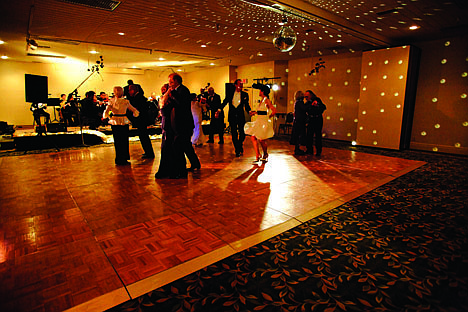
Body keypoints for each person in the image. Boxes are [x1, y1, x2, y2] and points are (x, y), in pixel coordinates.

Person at [168, 73, 201, 177]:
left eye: (171, 82)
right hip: (180, 124)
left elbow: (182, 104)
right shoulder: (177, 90)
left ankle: (181, 170)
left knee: (178, 146)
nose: (170, 84)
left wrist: (172, 93)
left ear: (177, 81)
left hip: (184, 124)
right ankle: (195, 163)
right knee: (186, 146)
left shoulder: (183, 90)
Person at [103, 86, 139, 165]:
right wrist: (135, 117)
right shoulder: (125, 101)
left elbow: (106, 112)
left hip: (115, 121)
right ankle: (124, 157)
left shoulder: (112, 101)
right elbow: (134, 111)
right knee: (124, 140)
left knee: (118, 141)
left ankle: (119, 158)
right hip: (123, 121)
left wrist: (109, 118)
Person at [244, 85, 276, 162]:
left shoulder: (266, 100)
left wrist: (269, 117)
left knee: (261, 139)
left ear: (263, 92)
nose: (259, 92)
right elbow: (261, 111)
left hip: (263, 122)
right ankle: (258, 154)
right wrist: (255, 113)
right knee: (253, 137)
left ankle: (265, 153)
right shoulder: (262, 100)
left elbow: (273, 110)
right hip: (259, 120)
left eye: (260, 90)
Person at [222, 79, 251, 157]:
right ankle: (237, 149)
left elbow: (246, 105)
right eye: (239, 84)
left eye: (242, 84)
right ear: (235, 85)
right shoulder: (230, 93)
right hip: (232, 116)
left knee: (242, 133)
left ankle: (239, 144)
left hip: (240, 116)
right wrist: (219, 109)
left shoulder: (245, 94)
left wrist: (250, 111)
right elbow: (225, 102)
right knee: (234, 133)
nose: (241, 85)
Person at [155, 83, 177, 178]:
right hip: (167, 124)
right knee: (167, 147)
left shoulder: (170, 100)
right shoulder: (163, 100)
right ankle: (168, 170)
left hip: (170, 124)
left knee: (169, 147)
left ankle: (170, 169)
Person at [127, 84, 155, 159]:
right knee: (143, 136)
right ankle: (148, 152)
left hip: (141, 120)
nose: (129, 92)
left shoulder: (138, 98)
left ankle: (149, 153)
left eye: (130, 90)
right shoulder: (139, 97)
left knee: (144, 136)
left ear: (133, 90)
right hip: (142, 120)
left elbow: (138, 109)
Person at [305, 90, 326, 156]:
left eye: (307, 96)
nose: (306, 98)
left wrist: (317, 105)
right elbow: (305, 108)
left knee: (318, 135)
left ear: (310, 95)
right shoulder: (307, 103)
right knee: (309, 135)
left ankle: (318, 151)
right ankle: (309, 150)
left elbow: (324, 107)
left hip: (317, 119)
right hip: (311, 119)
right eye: (305, 96)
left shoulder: (317, 99)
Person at [289, 90, 308, 155]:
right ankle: (297, 149)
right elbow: (304, 108)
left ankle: (297, 149)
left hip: (297, 121)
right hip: (300, 121)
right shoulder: (300, 102)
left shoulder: (297, 102)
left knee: (297, 135)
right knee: (299, 135)